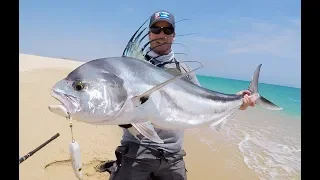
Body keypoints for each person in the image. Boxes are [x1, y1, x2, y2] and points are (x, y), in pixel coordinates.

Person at [96, 10, 256, 180]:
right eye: (156, 29)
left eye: (167, 30)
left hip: (173, 155)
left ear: (174, 35)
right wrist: (126, 120)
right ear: (150, 33)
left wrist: (237, 100)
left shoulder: (184, 71)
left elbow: (204, 102)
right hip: (137, 150)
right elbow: (117, 106)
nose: (161, 34)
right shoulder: (131, 67)